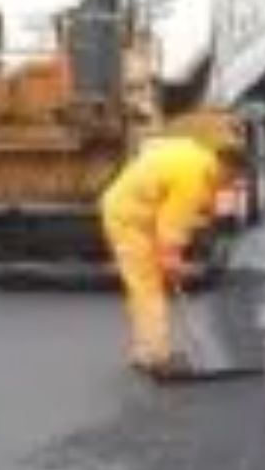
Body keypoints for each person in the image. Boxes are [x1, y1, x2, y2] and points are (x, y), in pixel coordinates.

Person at [98, 117, 245, 377]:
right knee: (148, 286)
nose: (226, 187)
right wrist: (172, 261)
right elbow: (171, 227)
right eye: (229, 181)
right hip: (129, 219)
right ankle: (156, 355)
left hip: (137, 211)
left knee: (144, 286)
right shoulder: (194, 178)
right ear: (225, 167)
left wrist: (171, 257)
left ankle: (145, 350)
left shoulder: (198, 157)